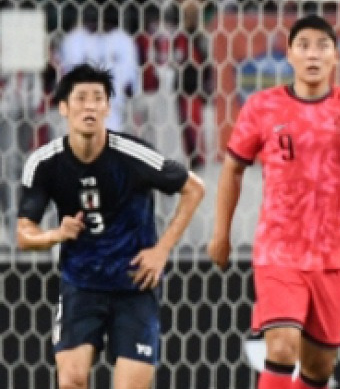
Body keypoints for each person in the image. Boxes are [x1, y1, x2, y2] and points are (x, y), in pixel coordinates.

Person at [207, 15, 340, 389]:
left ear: (336, 56)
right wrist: (220, 234)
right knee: (282, 347)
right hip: (279, 250)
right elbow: (233, 169)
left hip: (334, 255)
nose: (313, 54)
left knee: (319, 368)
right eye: (303, 45)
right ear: (289, 55)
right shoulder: (262, 106)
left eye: (322, 46)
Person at [17, 64, 206, 389]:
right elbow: (24, 233)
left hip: (134, 284)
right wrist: (56, 235)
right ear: (63, 107)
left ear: (107, 107)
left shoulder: (131, 154)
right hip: (81, 285)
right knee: (71, 380)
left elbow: (194, 188)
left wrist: (161, 251)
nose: (89, 106)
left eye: (98, 98)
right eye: (81, 98)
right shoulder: (44, 163)